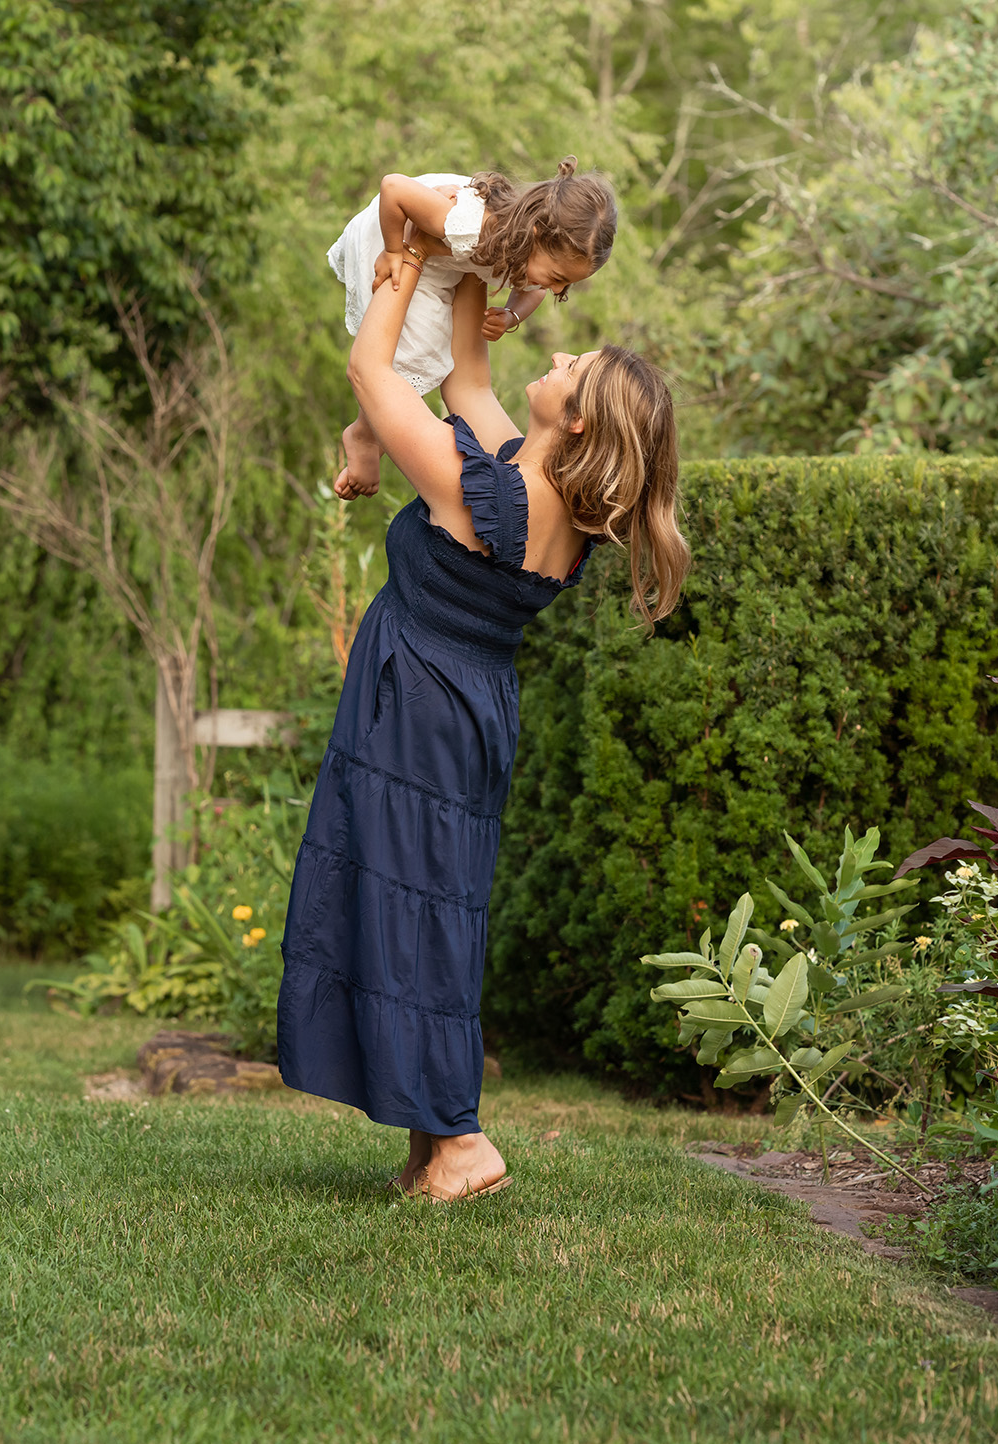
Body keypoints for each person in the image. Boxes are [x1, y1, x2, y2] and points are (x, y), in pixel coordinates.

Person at [277, 254, 690, 1202]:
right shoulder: (536, 490)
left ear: (577, 418)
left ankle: (462, 1141)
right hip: (458, 706)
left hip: (422, 706)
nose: (560, 352)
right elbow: (465, 375)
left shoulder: (486, 492)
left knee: (412, 909)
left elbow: (374, 377)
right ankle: (436, 1142)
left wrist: (407, 259)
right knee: (421, 907)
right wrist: (478, 255)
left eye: (573, 366)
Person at [326, 158, 618, 498]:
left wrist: (512, 314)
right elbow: (394, 187)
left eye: (564, 284)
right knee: (414, 350)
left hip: (441, 256)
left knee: (430, 351)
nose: (555, 289)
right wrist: (394, 251)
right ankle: (364, 434)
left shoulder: (529, 252)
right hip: (398, 227)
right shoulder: (473, 226)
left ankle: (374, 431)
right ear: (536, 234)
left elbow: (534, 288)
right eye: (557, 278)